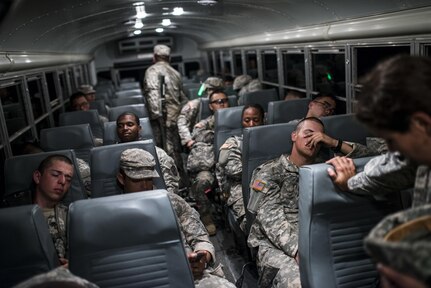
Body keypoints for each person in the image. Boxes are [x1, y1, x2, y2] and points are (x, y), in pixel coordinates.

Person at [326, 55, 431, 288]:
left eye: (391, 140)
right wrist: (349, 183)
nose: (392, 151)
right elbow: (393, 170)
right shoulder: (422, 158)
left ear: (422, 124)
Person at [116, 148, 236, 288]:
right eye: (136, 179)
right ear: (121, 179)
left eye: (148, 179)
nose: (144, 186)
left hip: (187, 271)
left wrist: (202, 256)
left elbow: (200, 238)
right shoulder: (107, 215)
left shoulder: (173, 202)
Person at [2, 155, 74, 267]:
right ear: (37, 177)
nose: (63, 181)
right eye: (55, 175)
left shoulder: (71, 216)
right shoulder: (9, 212)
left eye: (68, 179)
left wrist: (71, 265)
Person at [187, 90, 229, 235]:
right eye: (217, 102)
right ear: (211, 106)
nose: (222, 104)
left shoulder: (240, 118)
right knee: (201, 181)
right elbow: (197, 135)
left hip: (233, 163)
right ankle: (206, 216)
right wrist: (217, 135)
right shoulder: (205, 124)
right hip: (211, 165)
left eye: (224, 100)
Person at [143, 44, 187, 185]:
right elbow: (181, 97)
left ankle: (171, 182)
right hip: (175, 116)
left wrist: (158, 118)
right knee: (174, 149)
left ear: (154, 57)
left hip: (161, 118)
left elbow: (153, 95)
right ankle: (181, 181)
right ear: (169, 58)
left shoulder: (151, 71)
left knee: (163, 151)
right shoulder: (175, 72)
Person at [217, 104, 265, 231]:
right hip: (240, 185)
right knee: (251, 223)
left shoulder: (271, 140)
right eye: (247, 120)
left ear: (263, 120)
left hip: (265, 184)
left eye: (256, 120)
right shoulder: (234, 143)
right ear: (242, 122)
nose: (251, 124)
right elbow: (234, 170)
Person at [116, 112, 180, 195]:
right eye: (120, 126)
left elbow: (171, 186)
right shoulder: (107, 156)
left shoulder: (158, 153)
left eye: (130, 124)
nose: (125, 128)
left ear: (139, 128)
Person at [177, 76, 225, 150]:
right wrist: (188, 140)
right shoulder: (195, 104)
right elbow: (182, 122)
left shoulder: (225, 103)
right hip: (199, 140)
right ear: (207, 90)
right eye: (212, 90)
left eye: (218, 90)